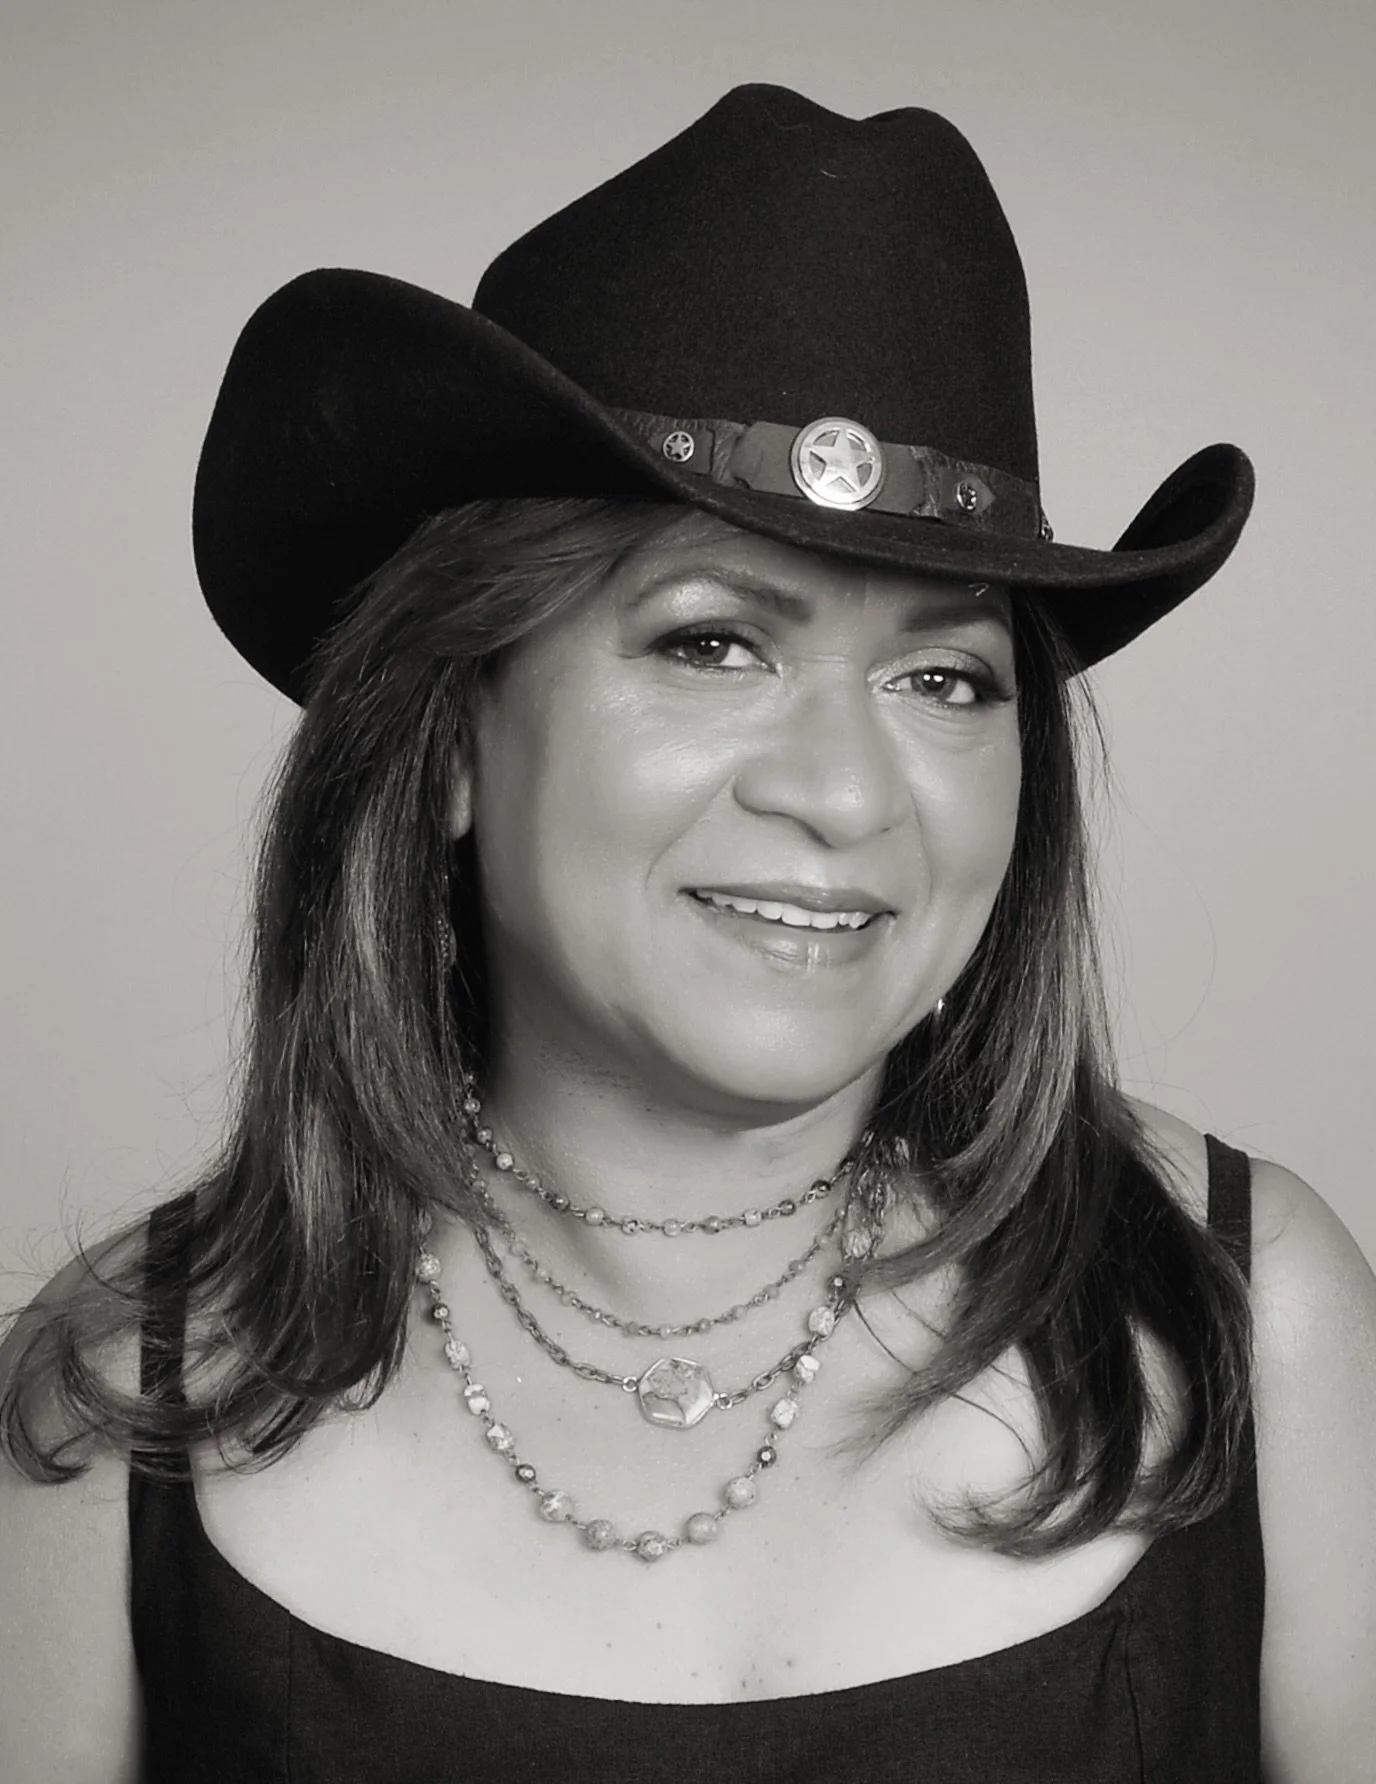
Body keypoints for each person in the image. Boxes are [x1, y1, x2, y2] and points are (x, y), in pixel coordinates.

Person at [2, 83, 1373, 1784]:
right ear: (453, 735)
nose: (847, 792)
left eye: (945, 678)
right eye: (713, 643)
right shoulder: (115, 1399)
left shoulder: (1252, 1310)